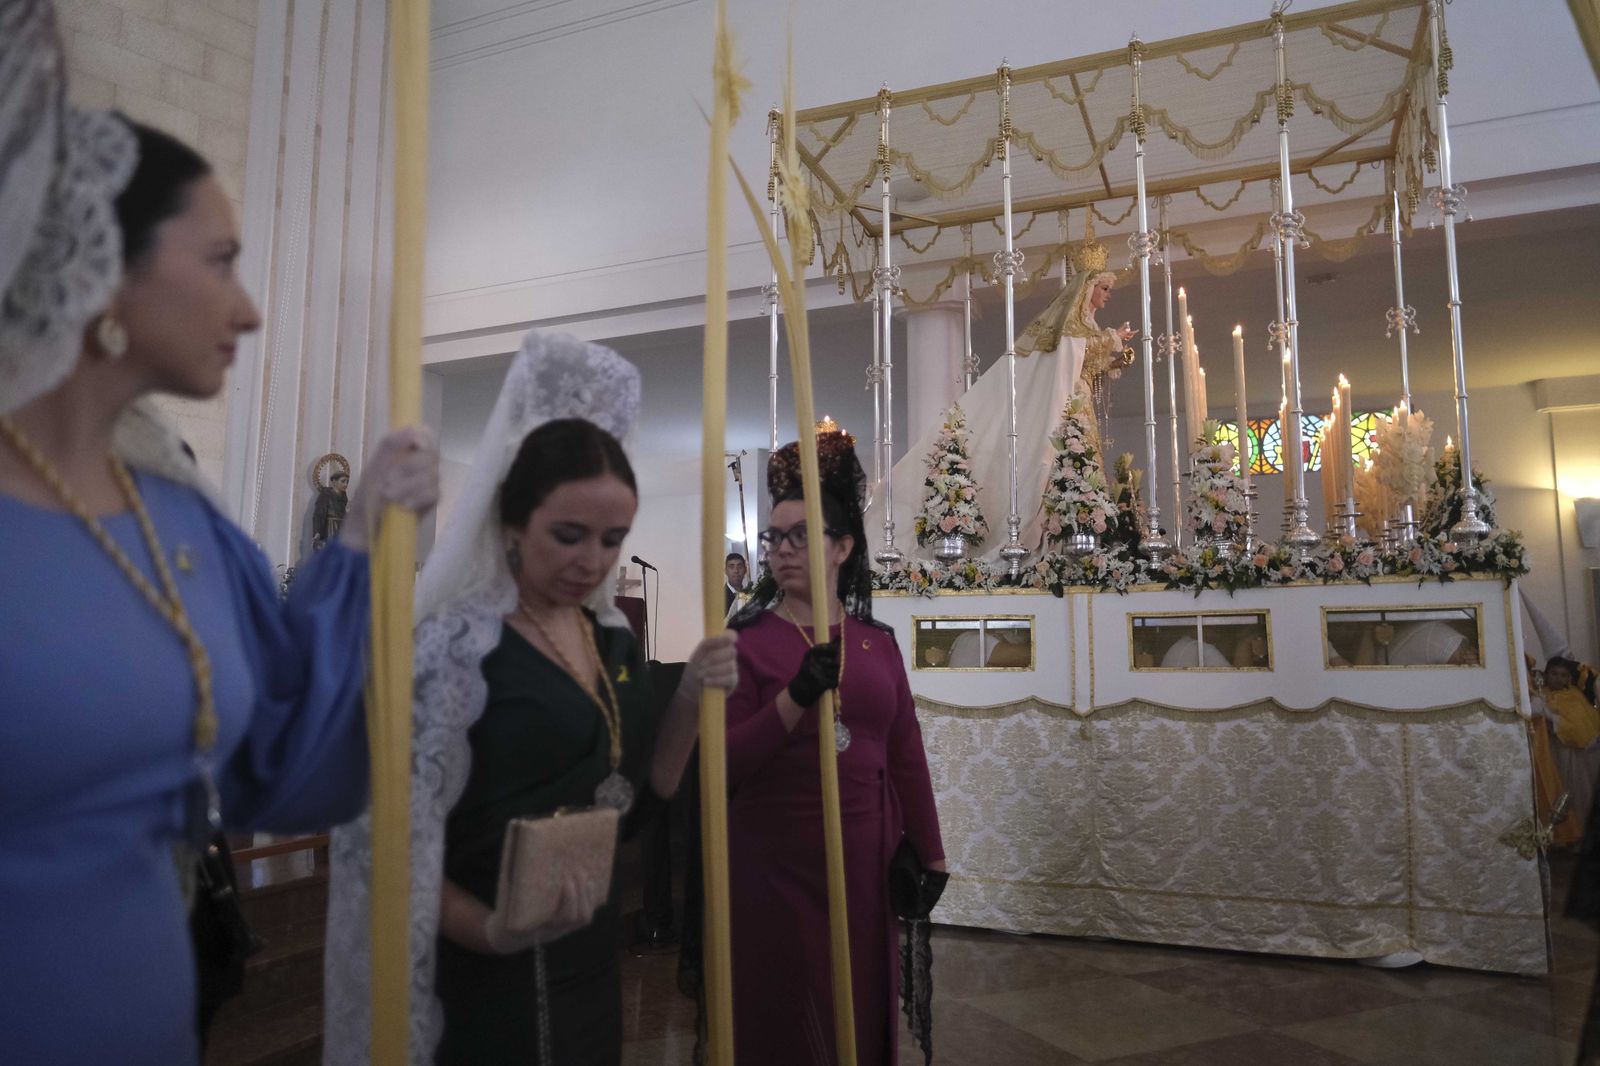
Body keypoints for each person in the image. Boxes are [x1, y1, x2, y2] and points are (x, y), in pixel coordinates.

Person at [0, 15, 440, 1063]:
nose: (246, 308)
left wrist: (371, 539)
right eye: (222, 260)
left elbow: (281, 759)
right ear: (106, 265)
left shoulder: (176, 516)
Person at [323, 331, 737, 1066]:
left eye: (614, 539)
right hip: (483, 967)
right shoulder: (457, 644)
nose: (594, 562)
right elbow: (386, 838)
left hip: (589, 958)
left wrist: (689, 699)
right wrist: (485, 928)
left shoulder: (610, 637)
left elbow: (643, 797)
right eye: (569, 535)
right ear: (512, 524)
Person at [718, 429, 945, 1065]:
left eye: (800, 536)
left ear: (842, 546)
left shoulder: (877, 644)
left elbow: (906, 753)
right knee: (788, 1015)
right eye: (773, 538)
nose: (782, 550)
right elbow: (726, 761)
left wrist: (932, 853)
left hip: (864, 865)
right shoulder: (748, 643)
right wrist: (794, 698)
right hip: (776, 863)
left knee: (859, 1011)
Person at [866, 217, 1136, 556]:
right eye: (1104, 288)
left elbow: (1084, 361)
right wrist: (1111, 339)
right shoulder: (1069, 325)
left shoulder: (1086, 326)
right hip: (1066, 407)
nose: (1107, 295)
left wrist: (1115, 353)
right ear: (1087, 287)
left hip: (1076, 403)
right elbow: (1075, 349)